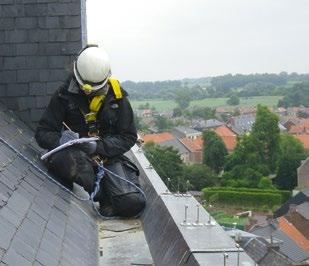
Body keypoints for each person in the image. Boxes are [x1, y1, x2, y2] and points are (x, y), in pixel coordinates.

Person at [35, 44, 145, 217]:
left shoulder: (117, 98)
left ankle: (110, 199)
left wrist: (98, 147)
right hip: (75, 157)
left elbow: (128, 136)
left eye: (92, 90)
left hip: (106, 157)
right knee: (76, 162)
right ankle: (101, 195)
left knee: (132, 203)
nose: (86, 93)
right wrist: (62, 141)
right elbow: (43, 133)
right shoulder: (63, 95)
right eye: (83, 88)